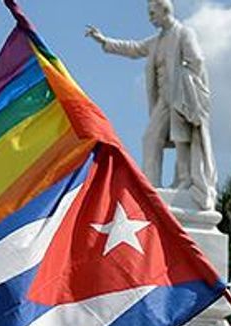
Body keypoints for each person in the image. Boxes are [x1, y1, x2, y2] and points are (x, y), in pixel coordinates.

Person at [85, 0, 217, 210]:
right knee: (151, 138)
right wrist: (104, 41)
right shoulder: (156, 41)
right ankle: (150, 186)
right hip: (164, 98)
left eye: (152, 13)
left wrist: (189, 86)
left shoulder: (183, 33)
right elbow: (134, 48)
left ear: (165, 11)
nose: (149, 18)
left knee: (182, 138)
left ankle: (183, 180)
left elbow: (197, 60)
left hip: (181, 95)